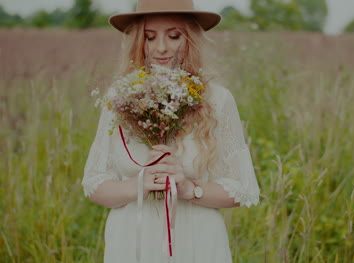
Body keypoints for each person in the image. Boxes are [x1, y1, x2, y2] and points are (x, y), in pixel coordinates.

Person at [81, 0, 260, 262]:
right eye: (150, 37)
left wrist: (190, 189)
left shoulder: (218, 100)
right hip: (133, 240)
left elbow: (242, 189)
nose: (161, 48)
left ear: (190, 39)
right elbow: (94, 184)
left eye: (174, 36)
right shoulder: (119, 99)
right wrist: (139, 185)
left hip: (197, 239)